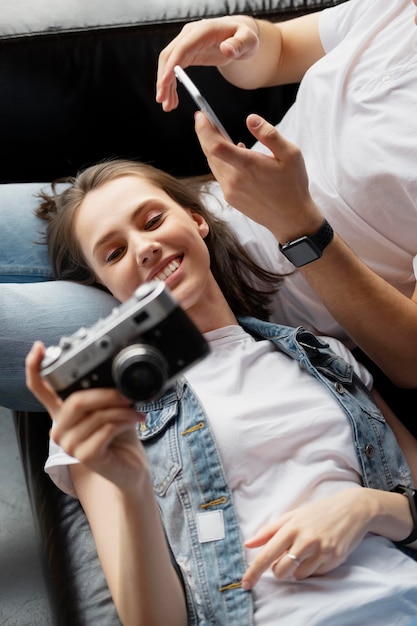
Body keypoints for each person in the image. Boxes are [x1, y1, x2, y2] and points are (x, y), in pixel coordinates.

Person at [26, 159, 417, 626]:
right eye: (113, 254)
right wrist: (130, 486)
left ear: (197, 220)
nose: (144, 248)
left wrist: (368, 507)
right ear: (104, 287)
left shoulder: (323, 355)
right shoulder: (104, 414)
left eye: (152, 221)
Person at [155, 0, 417, 434]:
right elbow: (277, 52)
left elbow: (410, 357)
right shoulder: (391, 11)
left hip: (243, 321)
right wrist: (242, 38)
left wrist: (298, 226)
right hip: (187, 213)